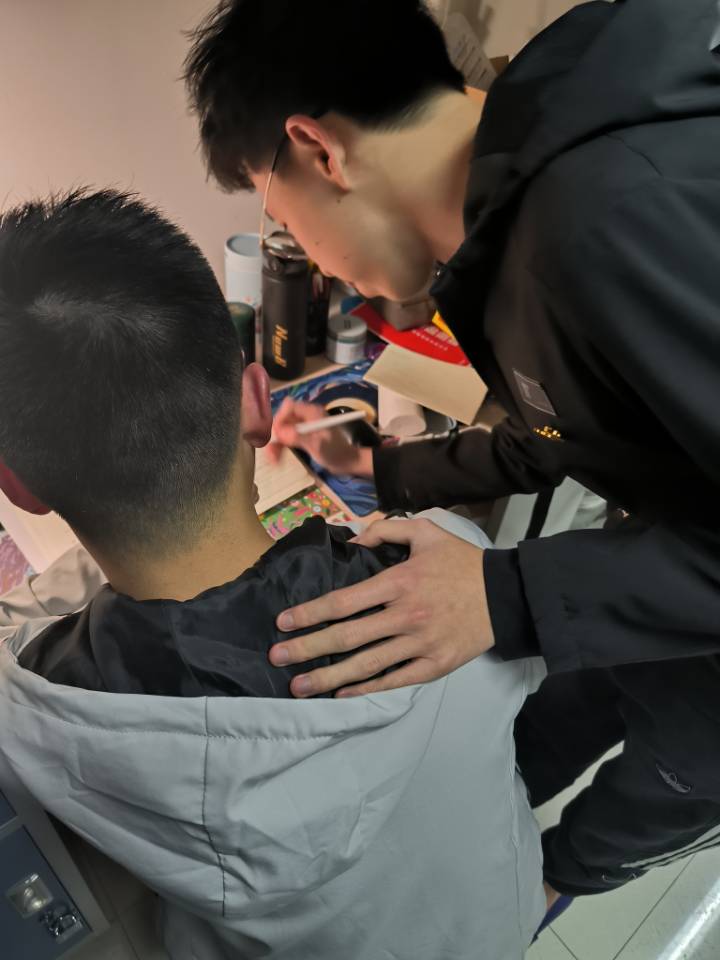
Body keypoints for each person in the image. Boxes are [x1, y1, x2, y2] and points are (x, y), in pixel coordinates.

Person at [184, 0, 720, 905]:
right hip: (651, 584)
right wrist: (384, 469)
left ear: (319, 150)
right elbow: (570, 424)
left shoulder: (607, 216)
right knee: (538, 735)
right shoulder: (516, 217)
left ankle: (543, 892)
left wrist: (507, 593)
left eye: (282, 220)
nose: (311, 261)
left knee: (613, 826)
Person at [0, 190, 546, 960]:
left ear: (18, 488)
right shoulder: (453, 568)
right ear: (258, 402)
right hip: (491, 927)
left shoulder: (36, 723)